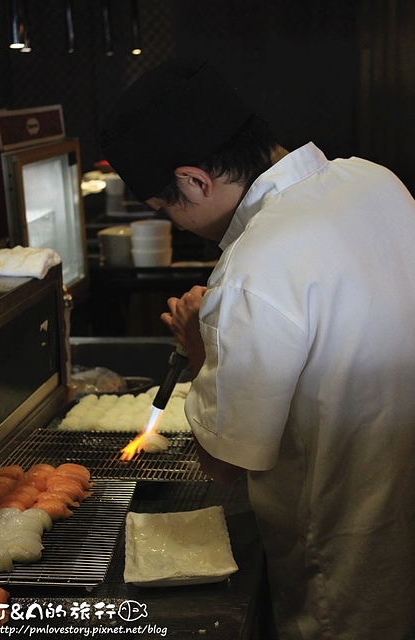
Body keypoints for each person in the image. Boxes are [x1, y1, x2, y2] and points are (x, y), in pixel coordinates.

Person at [100, 59, 415, 640]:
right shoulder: (375, 181)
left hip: (348, 571)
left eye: (168, 209)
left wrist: (199, 347)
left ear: (194, 181)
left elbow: (223, 464)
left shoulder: (251, 271)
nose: (179, 223)